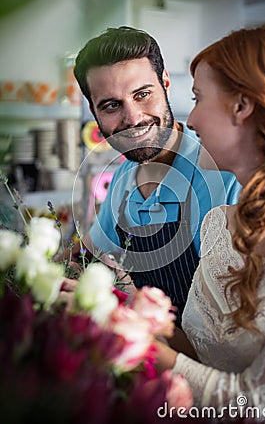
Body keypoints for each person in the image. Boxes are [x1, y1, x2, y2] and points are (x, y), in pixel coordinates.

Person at [154, 24, 265, 421]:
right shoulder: (218, 225)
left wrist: (142, 349)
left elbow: (264, 405)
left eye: (198, 97)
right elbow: (204, 358)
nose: (192, 118)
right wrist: (129, 316)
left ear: (242, 106)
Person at [64, 26, 241, 325]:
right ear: (94, 112)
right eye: (111, 105)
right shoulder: (122, 177)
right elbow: (90, 254)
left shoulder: (227, 176)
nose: (133, 118)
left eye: (142, 94)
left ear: (166, 83)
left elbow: (235, 328)